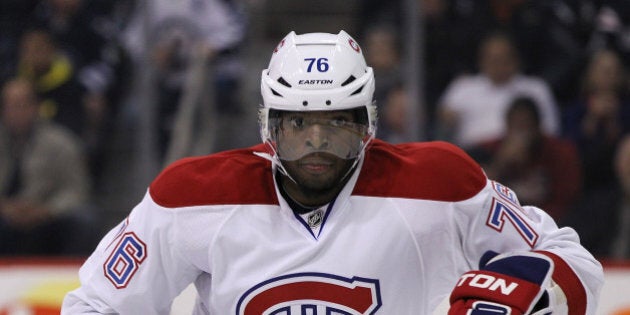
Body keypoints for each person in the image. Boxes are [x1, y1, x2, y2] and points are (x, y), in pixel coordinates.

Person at [62, 31, 603, 314]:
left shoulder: (439, 185)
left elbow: (572, 259)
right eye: (298, 124)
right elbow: (95, 305)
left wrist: (520, 292)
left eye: (336, 125)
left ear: (367, 123)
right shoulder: (192, 195)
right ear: (268, 124)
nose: (316, 143)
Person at [0, 78, 95, 255]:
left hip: (48, 215)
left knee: (83, 220)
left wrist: (48, 210)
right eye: (9, 105)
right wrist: (6, 208)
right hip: (5, 214)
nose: (15, 112)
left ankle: (71, 275)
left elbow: (76, 190)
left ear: (36, 106)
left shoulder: (61, 142)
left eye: (21, 104)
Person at [437, 31, 560, 149]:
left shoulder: (535, 88)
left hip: (523, 156)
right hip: (473, 154)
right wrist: (447, 119)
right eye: (493, 60)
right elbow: (442, 123)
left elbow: (550, 130)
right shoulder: (463, 87)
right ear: (481, 61)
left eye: (504, 59)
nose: (499, 66)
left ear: (516, 59)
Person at [467, 96, 582, 222]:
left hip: (547, 224)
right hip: (502, 223)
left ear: (537, 125)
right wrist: (501, 163)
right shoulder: (489, 149)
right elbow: (477, 195)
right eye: (515, 125)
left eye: (525, 125)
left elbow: (567, 199)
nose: (520, 133)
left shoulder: (560, 152)